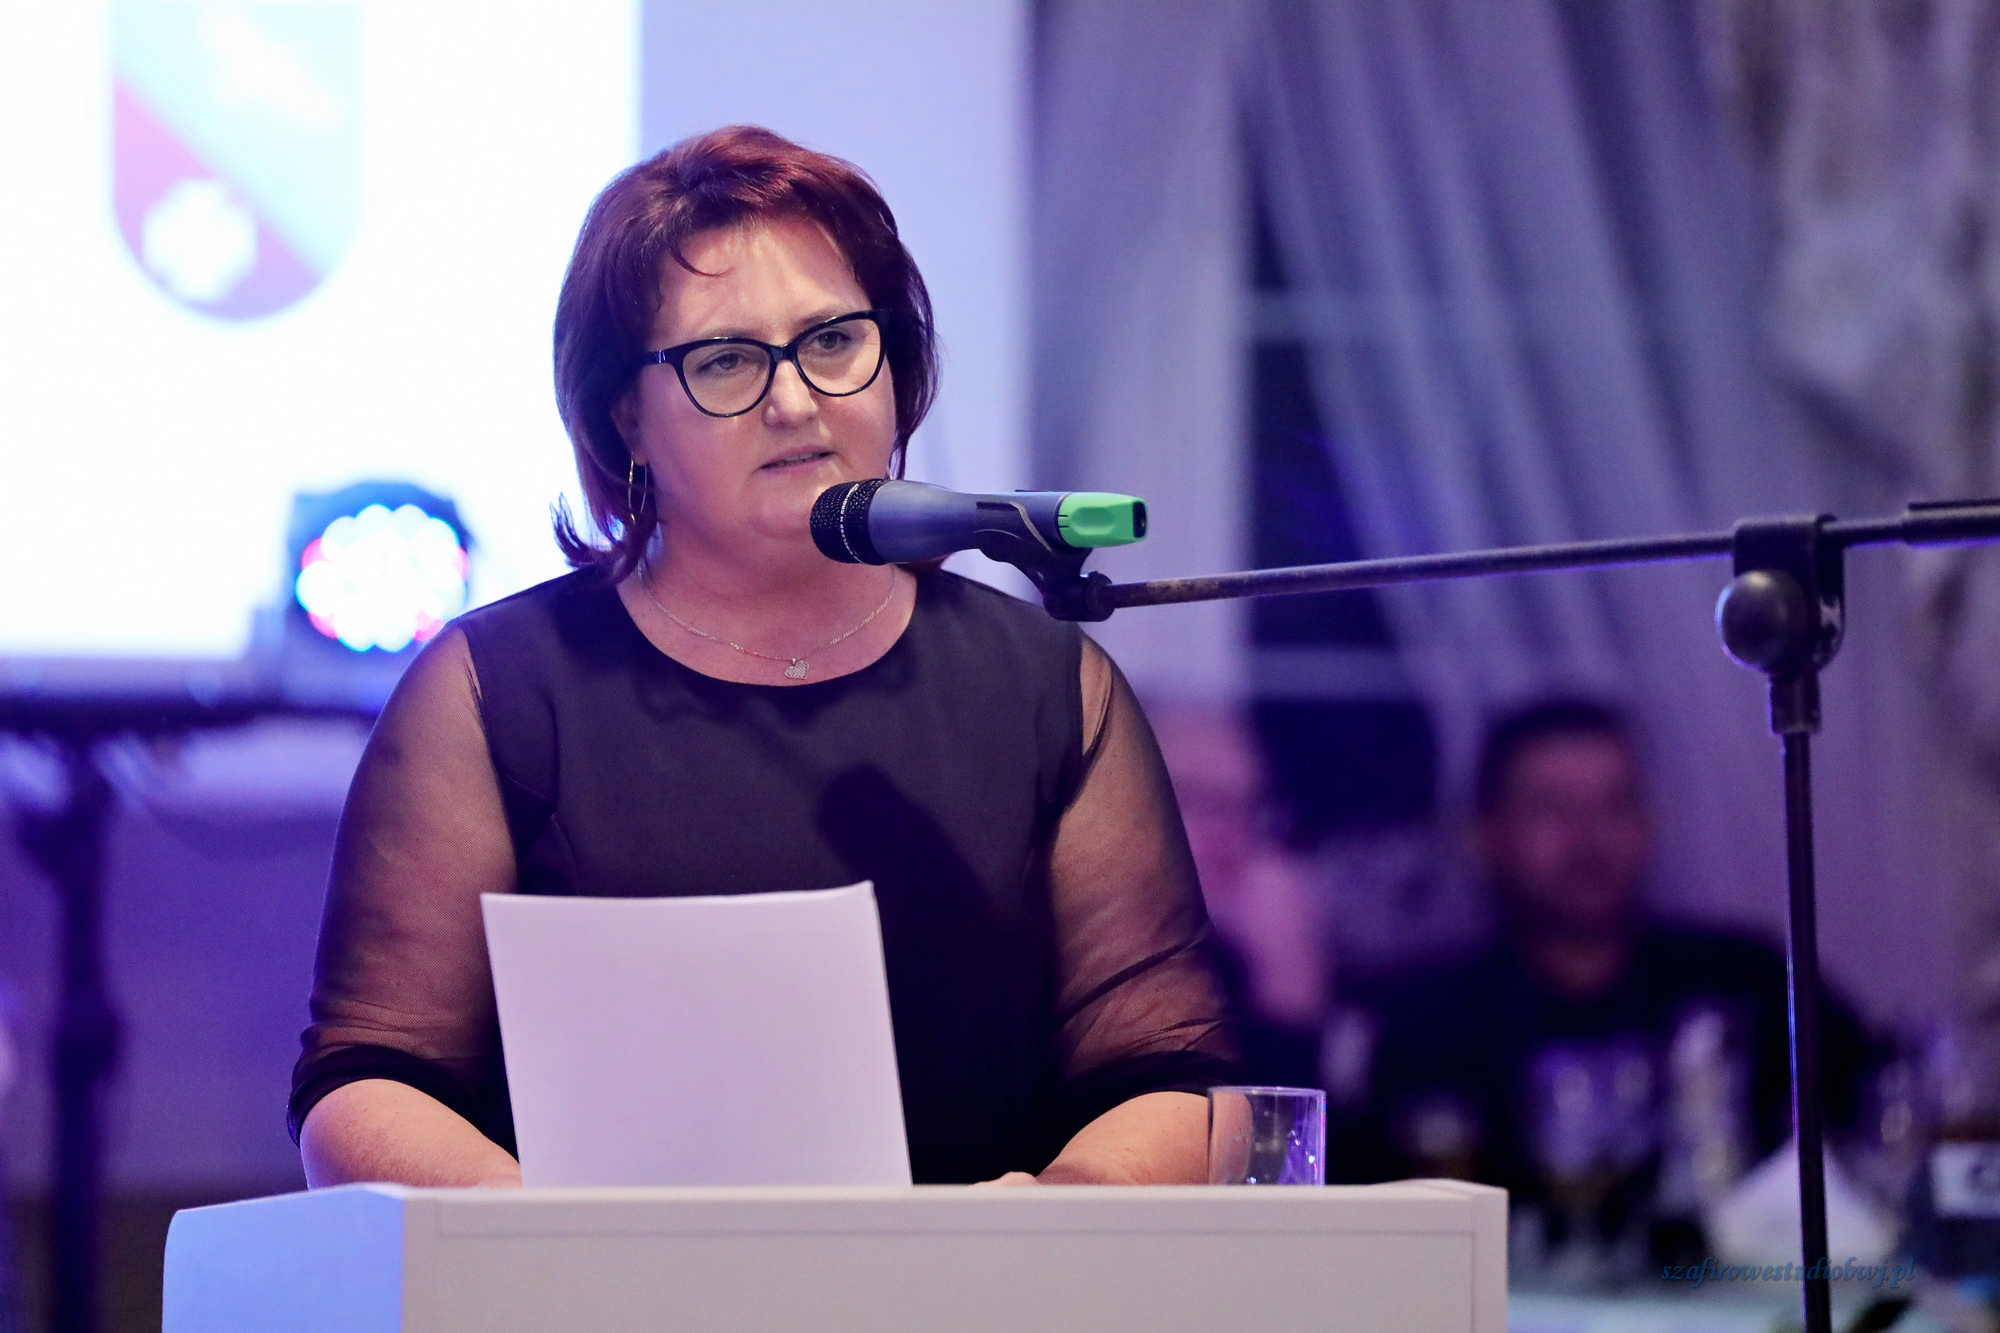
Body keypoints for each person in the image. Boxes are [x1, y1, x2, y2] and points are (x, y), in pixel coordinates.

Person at [288, 125, 1237, 1189]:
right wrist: (556, 1243)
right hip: (591, 1275)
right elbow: (367, 1082)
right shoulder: (496, 689)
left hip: (974, 1276)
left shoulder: (1042, 686)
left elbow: (1169, 1077)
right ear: (625, 417)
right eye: (727, 361)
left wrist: (1037, 1228)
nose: (794, 400)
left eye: (832, 341)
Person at [1358, 698, 1882, 1273]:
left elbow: (1882, 1112)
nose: (1590, 839)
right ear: (1484, 834)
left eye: (1617, 804)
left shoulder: (1742, 978)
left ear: (1650, 823)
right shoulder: (1430, 1019)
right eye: (1551, 808)